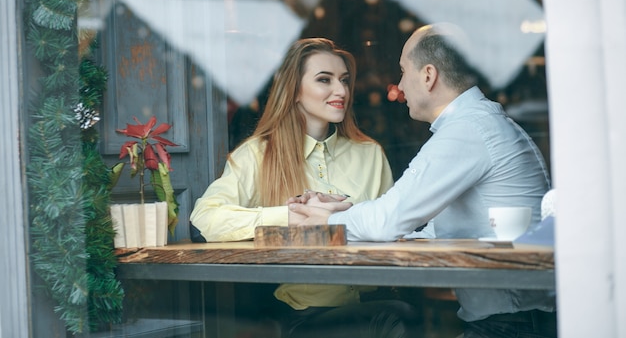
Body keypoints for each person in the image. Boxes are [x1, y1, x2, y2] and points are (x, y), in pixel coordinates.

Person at [288, 24, 558, 338]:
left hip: (513, 327)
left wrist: (328, 219)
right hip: (522, 320)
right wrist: (340, 214)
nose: (399, 85)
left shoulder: (467, 130)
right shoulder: (480, 124)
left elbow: (388, 220)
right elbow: (428, 229)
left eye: (403, 71)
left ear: (428, 76)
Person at [189, 37, 420, 338]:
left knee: (399, 312)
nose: (341, 91)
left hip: (374, 298)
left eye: (345, 80)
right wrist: (291, 216)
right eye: (325, 80)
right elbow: (204, 219)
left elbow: (395, 229)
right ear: (294, 90)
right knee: (395, 318)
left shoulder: (370, 153)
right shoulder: (258, 155)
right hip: (304, 315)